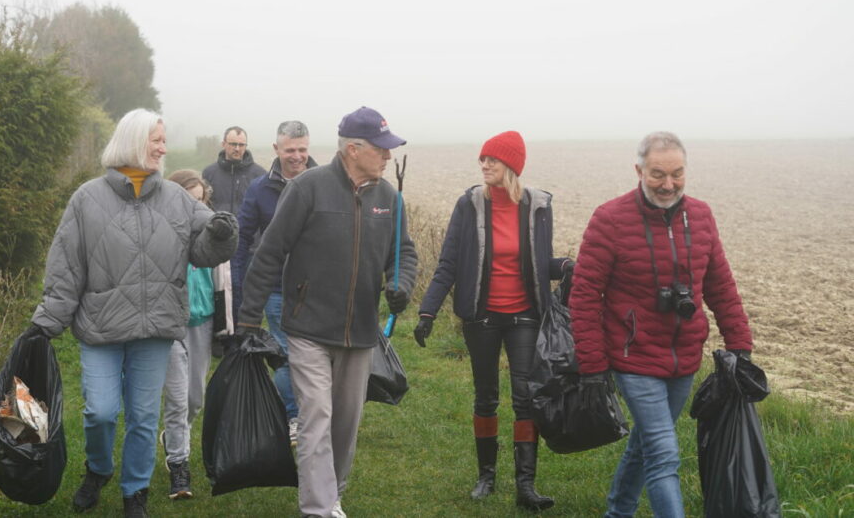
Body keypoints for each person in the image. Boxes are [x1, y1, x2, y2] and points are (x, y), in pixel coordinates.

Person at [23, 109, 239, 518]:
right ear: (132, 140)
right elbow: (67, 266)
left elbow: (206, 251)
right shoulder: (87, 199)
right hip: (101, 328)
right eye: (156, 139)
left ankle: (135, 490)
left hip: (155, 330)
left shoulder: (178, 200)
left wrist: (222, 233)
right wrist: (47, 322)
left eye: (163, 140)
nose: (163, 147)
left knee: (142, 416)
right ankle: (99, 468)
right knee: (100, 411)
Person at [237, 106, 418, 518]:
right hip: (307, 328)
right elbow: (270, 252)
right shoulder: (307, 188)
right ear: (353, 150)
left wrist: (401, 283)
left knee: (345, 425)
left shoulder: (389, 198)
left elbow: (403, 252)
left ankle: (333, 492)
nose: (388, 156)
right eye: (381, 148)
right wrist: (248, 318)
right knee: (316, 416)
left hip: (360, 332)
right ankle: (317, 508)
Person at [569, 131, 752, 518]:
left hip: (684, 356)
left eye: (677, 174)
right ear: (638, 171)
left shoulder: (701, 216)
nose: (668, 184)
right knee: (664, 453)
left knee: (648, 442)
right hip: (632, 356)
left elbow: (720, 284)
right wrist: (592, 366)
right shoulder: (610, 218)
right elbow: (584, 296)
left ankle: (618, 511)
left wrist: (740, 344)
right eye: (657, 174)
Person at [414, 130, 570, 511]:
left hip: (525, 316)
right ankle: (486, 477)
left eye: (493, 160)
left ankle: (526, 486)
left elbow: (537, 262)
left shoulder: (537, 206)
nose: (484, 165)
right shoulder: (469, 205)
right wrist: (427, 311)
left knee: (524, 398)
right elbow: (449, 261)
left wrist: (564, 266)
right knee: (485, 397)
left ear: (511, 166)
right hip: (481, 316)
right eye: (482, 159)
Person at [231, 120, 317, 445]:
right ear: (276, 149)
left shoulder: (324, 182)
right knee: (285, 354)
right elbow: (241, 242)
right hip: (278, 289)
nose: (297, 156)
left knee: (313, 355)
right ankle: (294, 417)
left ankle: (312, 411)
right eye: (290, 150)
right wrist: (241, 291)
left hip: (318, 289)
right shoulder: (259, 189)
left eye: (302, 150)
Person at [159, 170, 230, 501]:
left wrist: (224, 324)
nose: (196, 207)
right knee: (178, 397)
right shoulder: (160, 231)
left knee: (195, 397)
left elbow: (224, 282)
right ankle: (179, 465)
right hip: (171, 323)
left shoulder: (213, 232)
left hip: (202, 320)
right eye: (189, 200)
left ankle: (173, 438)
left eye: (201, 200)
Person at [202, 125, 266, 214]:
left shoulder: (260, 174)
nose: (237, 149)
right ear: (223, 144)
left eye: (241, 145)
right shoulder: (209, 173)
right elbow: (203, 206)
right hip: (217, 226)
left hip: (247, 227)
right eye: (233, 144)